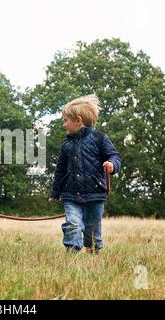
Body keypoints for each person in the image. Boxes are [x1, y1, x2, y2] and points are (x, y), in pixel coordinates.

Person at [50, 95, 121, 254]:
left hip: (95, 194)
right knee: (73, 224)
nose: (64, 125)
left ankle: (93, 252)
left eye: (66, 120)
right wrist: (56, 192)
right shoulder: (66, 143)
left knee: (92, 229)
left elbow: (114, 156)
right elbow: (60, 169)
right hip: (71, 194)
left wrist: (112, 165)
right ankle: (73, 252)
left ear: (78, 120)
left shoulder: (99, 138)